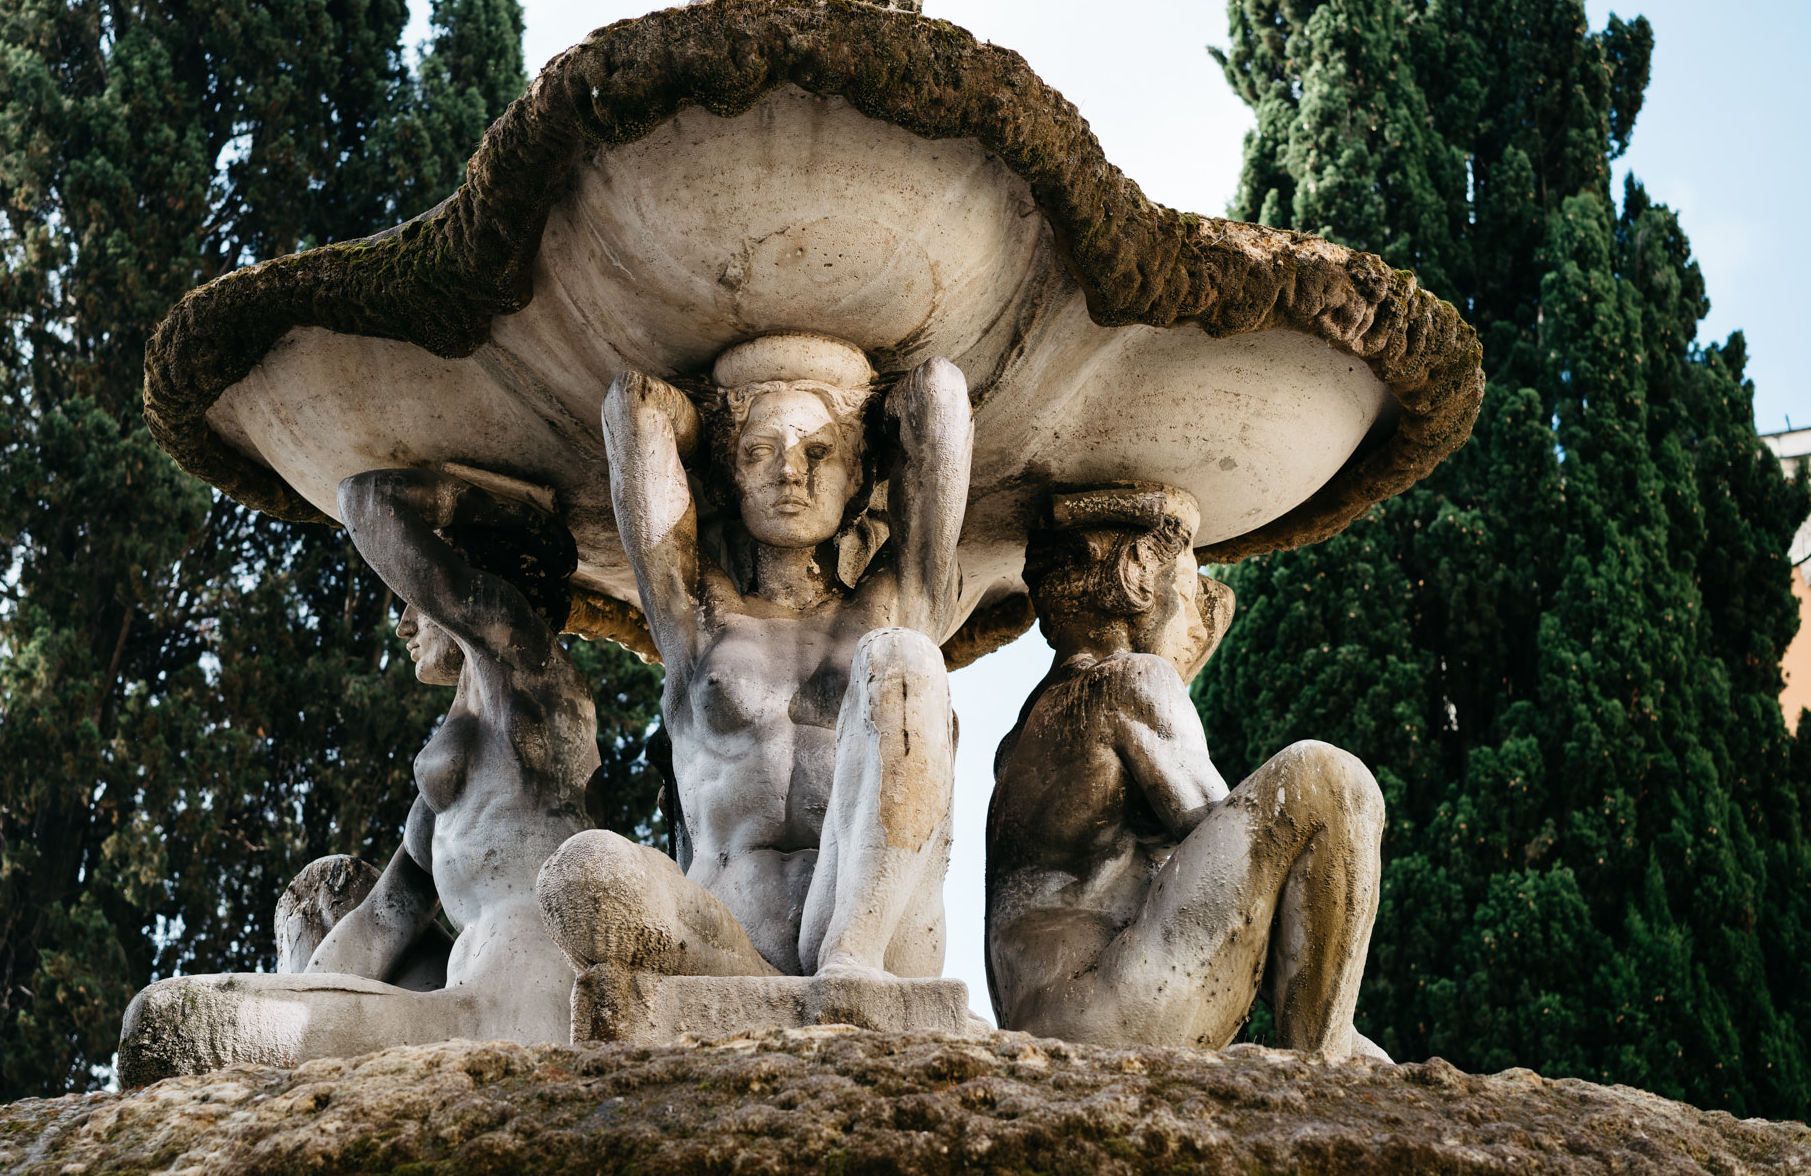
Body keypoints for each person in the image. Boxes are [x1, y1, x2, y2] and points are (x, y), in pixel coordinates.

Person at [538, 333, 972, 982]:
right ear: (733, 478)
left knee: (906, 657)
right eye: (760, 453)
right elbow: (633, 408)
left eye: (818, 453)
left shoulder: (891, 607)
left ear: (857, 477)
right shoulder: (698, 620)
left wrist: (872, 416)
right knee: (585, 870)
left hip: (870, 937)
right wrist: (709, 423)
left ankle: (851, 961)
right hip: (724, 941)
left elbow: (940, 397)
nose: (789, 472)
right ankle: (826, 977)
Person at [985, 484, 1389, 1060]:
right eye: (1183, 584)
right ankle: (1321, 1058)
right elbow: (1246, 852)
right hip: (1112, 1007)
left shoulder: (1029, 732)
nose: (1193, 616)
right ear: (1137, 581)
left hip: (1048, 1018)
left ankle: (1332, 1045)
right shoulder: (1131, 681)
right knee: (1328, 781)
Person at [295, 467, 601, 1043]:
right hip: (465, 977)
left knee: (176, 1015)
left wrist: (495, 510)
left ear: (477, 594)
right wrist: (296, 1021)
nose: (404, 622)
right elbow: (385, 918)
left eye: (415, 596)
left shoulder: (531, 673)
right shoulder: (459, 763)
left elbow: (366, 502)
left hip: (526, 987)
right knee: (316, 897)